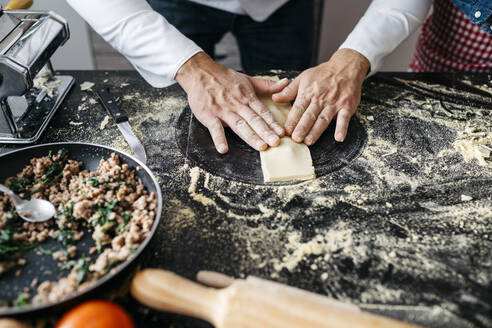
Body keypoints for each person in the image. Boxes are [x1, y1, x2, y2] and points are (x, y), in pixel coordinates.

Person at [68, 0, 314, 154]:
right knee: (182, 118)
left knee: (285, 96)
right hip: (179, 3)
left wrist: (354, 52)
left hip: (280, 5)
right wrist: (192, 69)